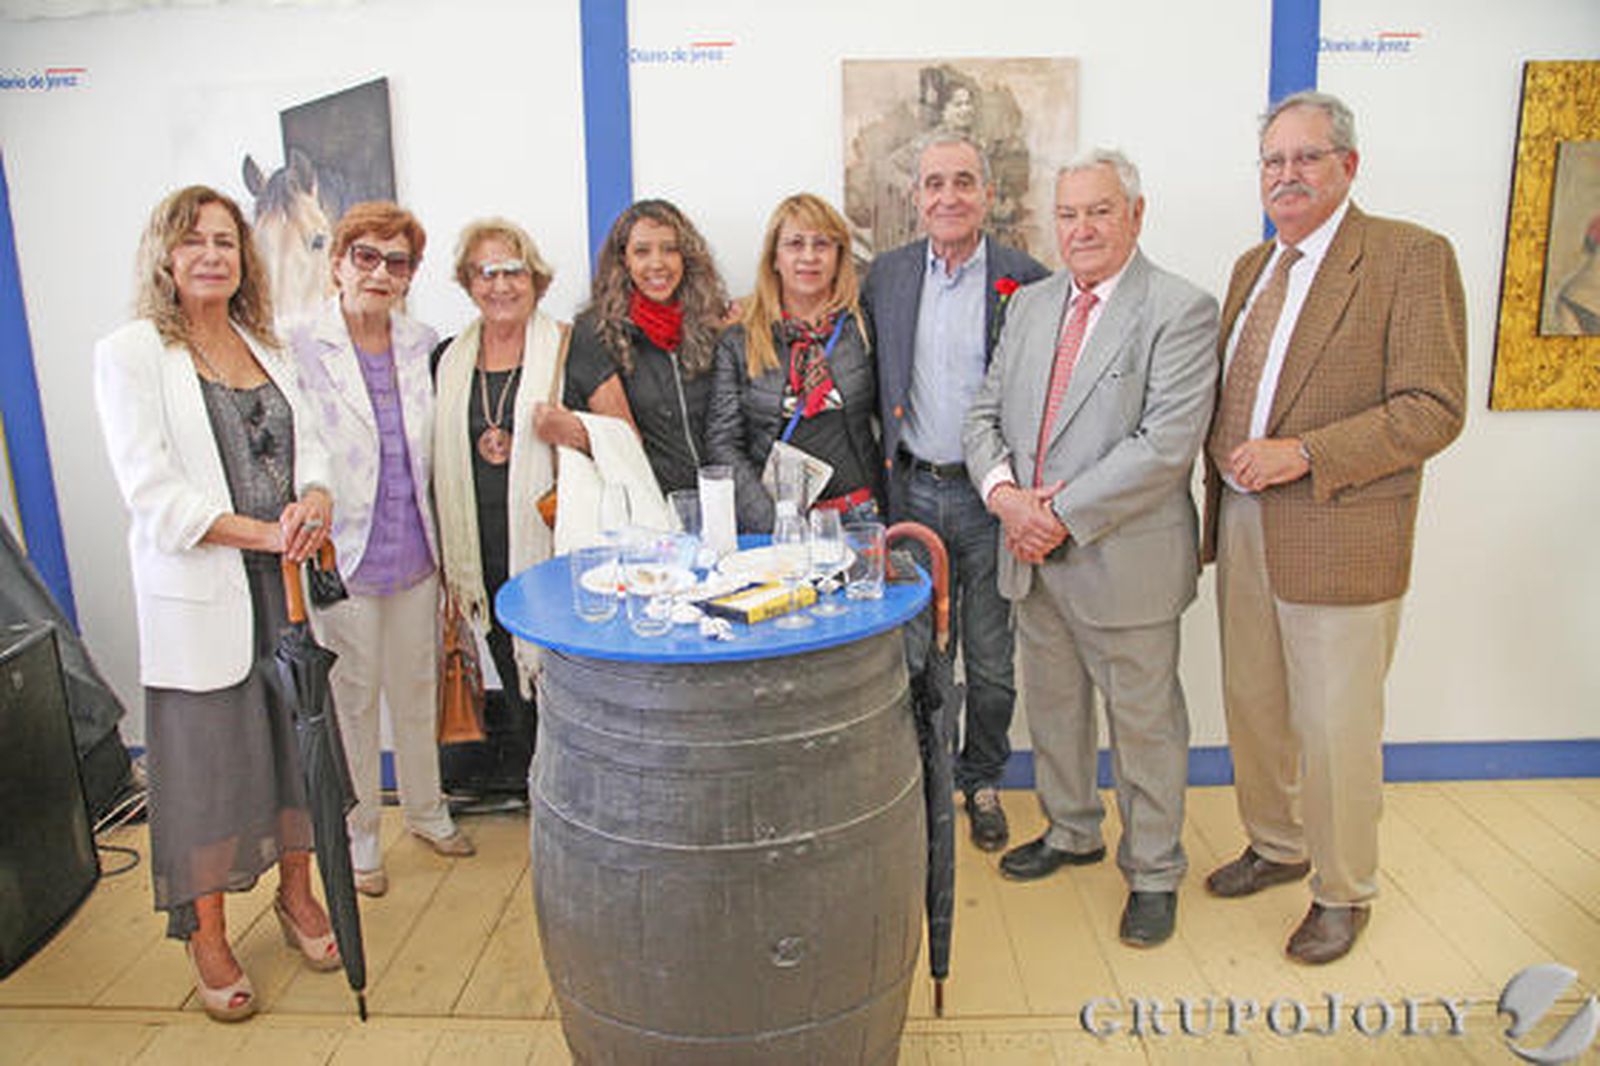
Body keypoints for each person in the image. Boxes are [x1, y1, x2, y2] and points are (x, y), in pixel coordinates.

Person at [1201, 91, 1466, 964]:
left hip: (1339, 528)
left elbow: (1433, 408)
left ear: (1348, 166)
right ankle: (1277, 845)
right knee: (1255, 705)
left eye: (1306, 158)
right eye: (1274, 161)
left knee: (1337, 725)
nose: (1288, 175)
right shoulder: (1252, 266)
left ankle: (1343, 890)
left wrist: (1305, 452)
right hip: (1243, 521)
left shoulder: (1407, 258)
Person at [94, 186, 340, 1022]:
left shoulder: (263, 342)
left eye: (226, 242)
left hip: (289, 595)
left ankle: (299, 897)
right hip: (203, 600)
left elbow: (316, 448)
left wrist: (315, 500)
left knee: (297, 753)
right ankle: (208, 933)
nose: (212, 255)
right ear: (165, 254)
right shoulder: (131, 353)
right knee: (210, 774)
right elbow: (153, 495)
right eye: (194, 240)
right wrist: (264, 535)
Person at [963, 149, 1218, 948]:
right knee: (1057, 710)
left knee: (1144, 725)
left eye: (1099, 211)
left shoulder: (1180, 309)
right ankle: (1072, 830)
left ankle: (1153, 871)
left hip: (1124, 559)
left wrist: (1058, 513)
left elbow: (1165, 446)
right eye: (1068, 214)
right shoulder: (1032, 305)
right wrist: (1006, 498)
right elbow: (983, 417)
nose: (1082, 229)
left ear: (1136, 215)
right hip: (1033, 557)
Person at [863, 132, 1048, 852]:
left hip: (989, 501)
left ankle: (982, 780)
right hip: (908, 494)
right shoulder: (886, 276)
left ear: (988, 195)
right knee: (912, 656)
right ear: (916, 198)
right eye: (934, 184)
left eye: (963, 182)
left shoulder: (1026, 279)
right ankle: (919, 779)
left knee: (993, 661)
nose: (948, 197)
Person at [287, 202, 474, 899]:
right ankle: (363, 833)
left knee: (418, 689)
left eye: (397, 262)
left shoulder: (420, 341)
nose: (381, 272)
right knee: (353, 702)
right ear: (337, 261)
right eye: (366, 256)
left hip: (415, 549)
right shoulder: (297, 343)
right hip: (345, 557)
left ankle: (427, 810)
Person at [431, 219, 565, 806]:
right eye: (487, 271)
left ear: (535, 279)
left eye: (514, 270)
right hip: (479, 552)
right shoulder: (446, 360)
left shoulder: (565, 345)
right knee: (514, 683)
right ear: (468, 283)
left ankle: (568, 802)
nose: (502, 284)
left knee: (560, 684)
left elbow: (618, 439)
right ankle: (543, 801)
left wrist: (573, 428)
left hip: (549, 550)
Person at [706, 193, 881, 531]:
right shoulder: (739, 340)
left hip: (858, 515)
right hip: (778, 523)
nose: (809, 257)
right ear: (774, 257)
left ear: (839, 256)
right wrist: (771, 520)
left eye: (822, 244)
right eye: (795, 244)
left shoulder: (862, 328)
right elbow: (723, 443)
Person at [564, 199, 731, 496]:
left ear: (686, 257)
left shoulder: (712, 323)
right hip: (647, 510)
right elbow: (619, 444)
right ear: (623, 260)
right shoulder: (596, 333)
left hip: (722, 502)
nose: (657, 263)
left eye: (669, 249)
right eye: (642, 251)